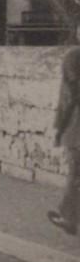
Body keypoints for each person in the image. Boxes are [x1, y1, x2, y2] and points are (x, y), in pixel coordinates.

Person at [49, 47, 80, 234]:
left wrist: (59, 129)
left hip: (76, 127)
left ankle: (68, 218)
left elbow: (69, 97)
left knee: (75, 174)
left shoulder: (74, 56)